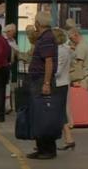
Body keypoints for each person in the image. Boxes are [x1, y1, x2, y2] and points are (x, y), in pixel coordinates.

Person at [26, 11, 61, 160]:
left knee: (43, 115)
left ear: (38, 23)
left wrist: (46, 83)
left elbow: (48, 61)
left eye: (35, 21)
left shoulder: (46, 38)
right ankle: (42, 147)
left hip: (41, 80)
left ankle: (47, 149)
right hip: (39, 79)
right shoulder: (45, 37)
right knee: (40, 114)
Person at [52, 28, 75, 151]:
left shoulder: (60, 51)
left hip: (59, 84)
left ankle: (68, 138)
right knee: (60, 112)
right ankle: (69, 139)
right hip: (64, 83)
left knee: (58, 112)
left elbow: (58, 71)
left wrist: (47, 72)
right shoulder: (66, 49)